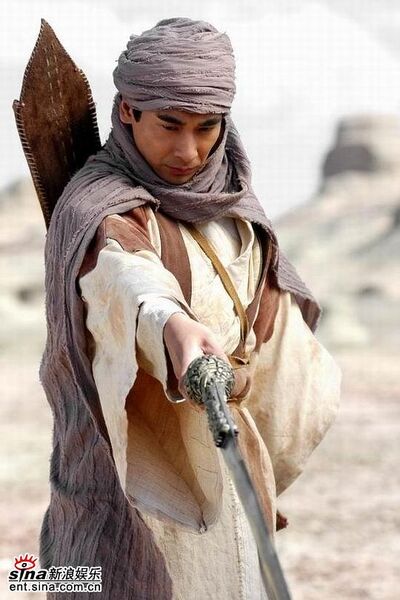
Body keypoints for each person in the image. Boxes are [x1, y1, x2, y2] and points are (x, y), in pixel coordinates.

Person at [39, 17, 340, 599]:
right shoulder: (99, 207)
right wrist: (171, 324)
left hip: (227, 452)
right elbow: (125, 276)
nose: (188, 150)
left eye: (206, 128)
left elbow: (268, 318)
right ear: (128, 111)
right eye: (169, 125)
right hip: (136, 464)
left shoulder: (234, 205)